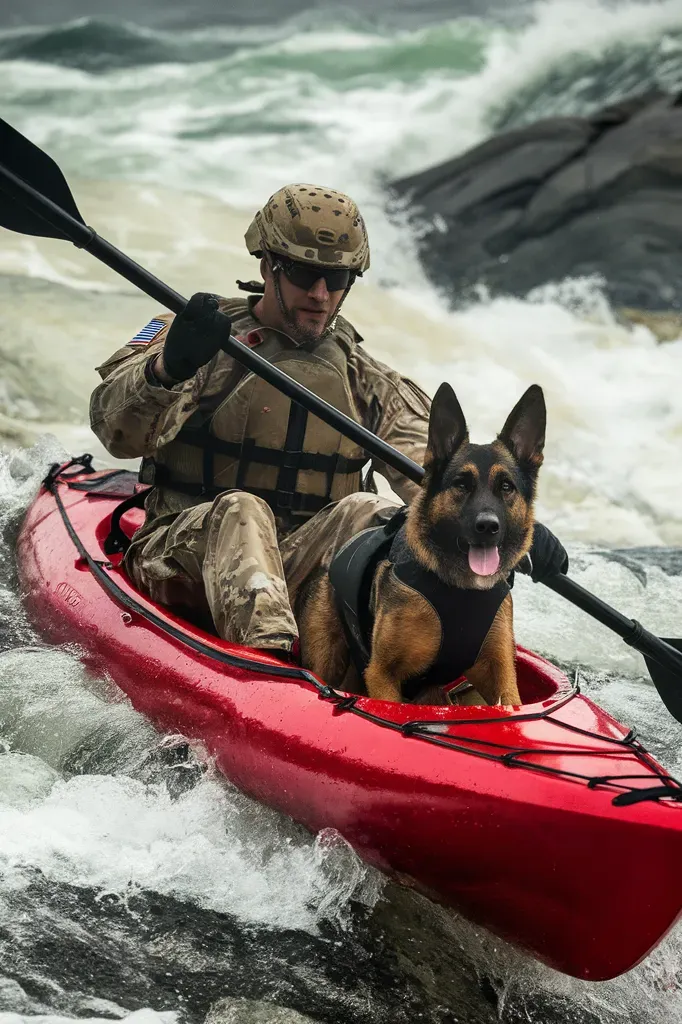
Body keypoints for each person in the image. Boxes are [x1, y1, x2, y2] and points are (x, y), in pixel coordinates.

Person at [90, 183, 567, 659]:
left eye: (336, 280)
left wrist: (506, 528)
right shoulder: (196, 340)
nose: (320, 295)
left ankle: (444, 660)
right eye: (303, 274)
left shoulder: (363, 378)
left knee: (374, 513)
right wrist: (167, 369)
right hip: (180, 558)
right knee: (242, 509)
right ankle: (272, 670)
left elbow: (435, 481)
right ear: (267, 266)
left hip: (300, 571)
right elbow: (115, 432)